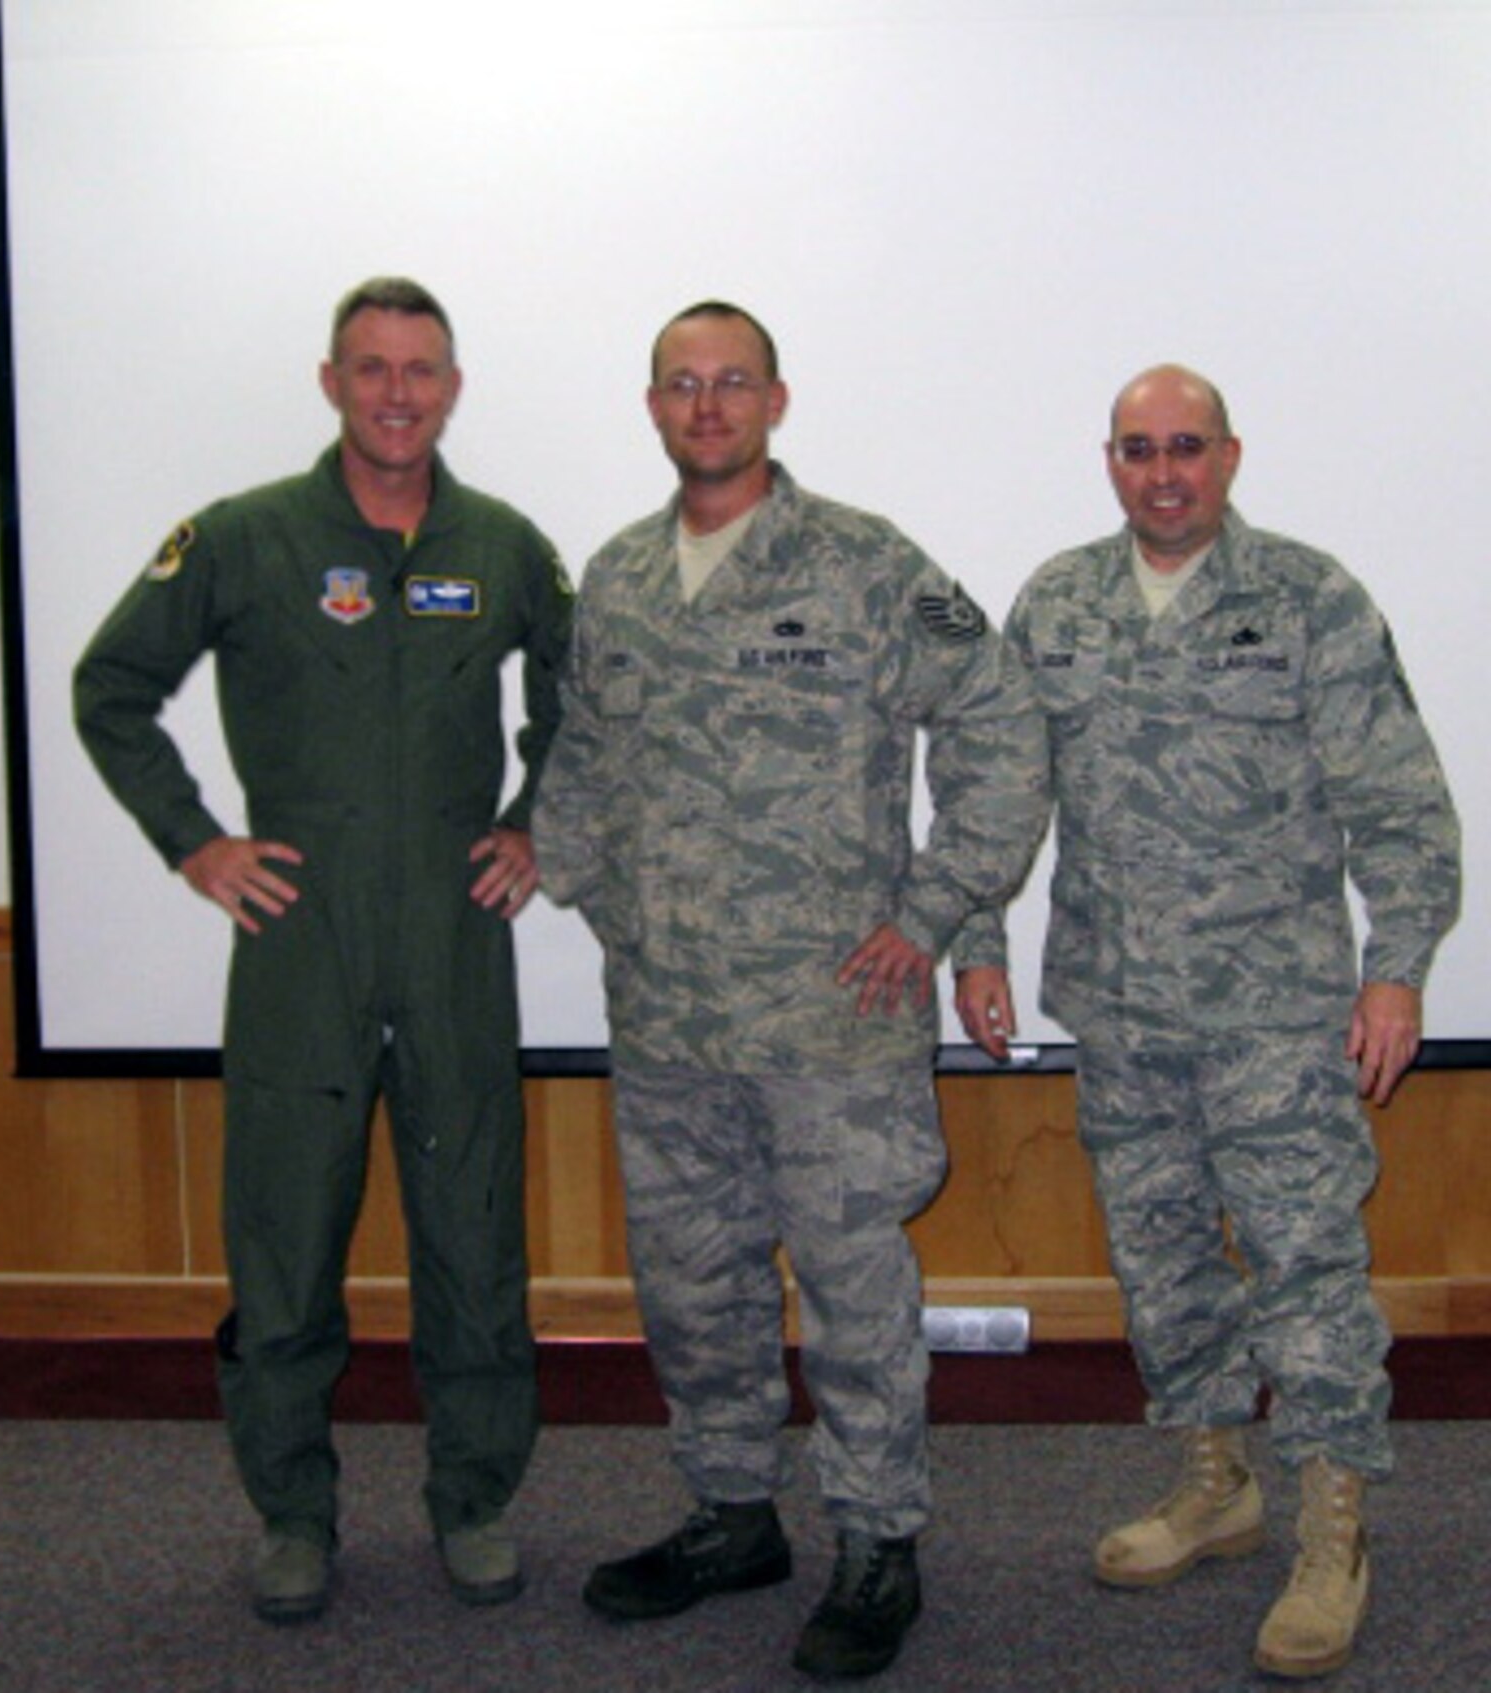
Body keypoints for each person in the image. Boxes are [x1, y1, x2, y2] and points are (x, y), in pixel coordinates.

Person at [534, 301, 1047, 1682]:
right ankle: (730, 1511)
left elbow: (999, 722)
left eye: (732, 382)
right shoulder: (624, 576)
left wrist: (936, 908)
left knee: (851, 1286)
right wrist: (573, 872)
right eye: (682, 385)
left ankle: (879, 1540)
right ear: (653, 407)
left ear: (776, 400)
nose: (707, 405)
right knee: (692, 1283)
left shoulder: (865, 564)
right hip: (668, 1017)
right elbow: (579, 752)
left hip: (832, 1020)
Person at [74, 277, 572, 1624]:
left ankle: (472, 1498)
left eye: (421, 368)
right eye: (372, 368)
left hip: (460, 941)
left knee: (472, 1235)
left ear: (453, 387)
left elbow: (585, 708)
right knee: (284, 1240)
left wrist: (536, 824)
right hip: (302, 944)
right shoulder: (246, 539)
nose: (397, 392)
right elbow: (108, 688)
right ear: (332, 381)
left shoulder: (509, 546)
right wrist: (196, 842)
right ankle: (293, 1512)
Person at [952, 364, 1460, 1680]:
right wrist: (975, 932)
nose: (1163, 471)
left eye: (1187, 447)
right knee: (1164, 1265)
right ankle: (1217, 1481)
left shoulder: (1305, 597)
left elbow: (1399, 798)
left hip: (1275, 1015)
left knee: (1305, 1275)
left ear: (1230, 457)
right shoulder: (1057, 604)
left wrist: (1395, 963)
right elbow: (1001, 792)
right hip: (1119, 1010)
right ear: (1107, 460)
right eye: (1138, 450)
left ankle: (1333, 1527)